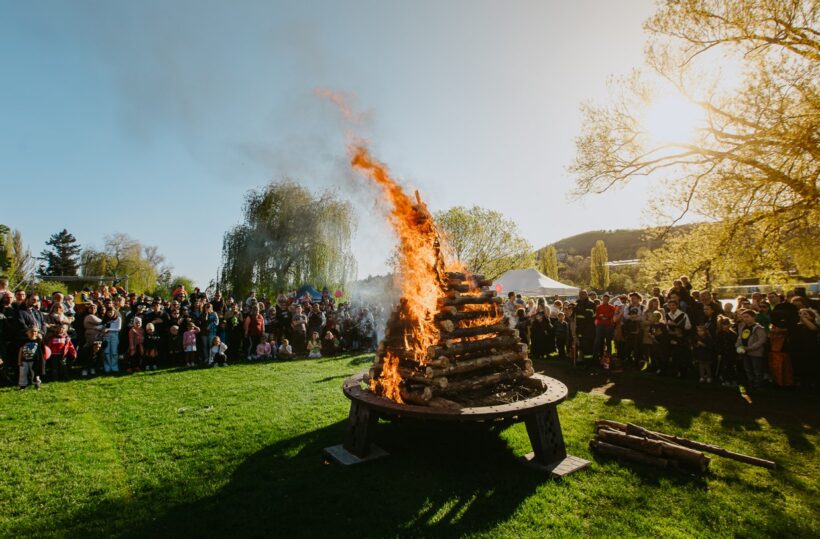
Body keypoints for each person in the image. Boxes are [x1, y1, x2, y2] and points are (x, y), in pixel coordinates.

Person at [736, 309, 768, 388]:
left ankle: (758, 383)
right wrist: (737, 346)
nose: (745, 319)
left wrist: (750, 348)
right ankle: (751, 381)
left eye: (747, 317)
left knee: (756, 369)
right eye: (743, 317)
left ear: (753, 317)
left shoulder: (759, 328)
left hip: (755, 352)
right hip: (744, 351)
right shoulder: (742, 326)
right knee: (747, 368)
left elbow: (761, 340)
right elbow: (740, 337)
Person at [665, 299, 691, 378]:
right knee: (673, 355)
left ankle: (683, 373)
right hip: (671, 337)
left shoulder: (683, 315)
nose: (672, 307)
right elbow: (666, 327)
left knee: (682, 356)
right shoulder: (667, 315)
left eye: (674, 305)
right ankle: (674, 372)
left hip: (681, 338)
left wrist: (676, 325)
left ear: (677, 306)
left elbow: (688, 326)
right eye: (670, 305)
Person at [593, 294, 617, 367]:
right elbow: (597, 315)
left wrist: (604, 316)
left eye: (607, 299)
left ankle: (608, 357)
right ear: (602, 299)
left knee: (608, 341)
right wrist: (602, 317)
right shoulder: (598, 307)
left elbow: (612, 314)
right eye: (604, 299)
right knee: (598, 340)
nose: (605, 300)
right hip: (600, 325)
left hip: (608, 326)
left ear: (609, 300)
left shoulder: (612, 307)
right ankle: (596, 356)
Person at [715, 317, 738, 386]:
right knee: (725, 367)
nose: (725, 326)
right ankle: (726, 379)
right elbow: (718, 344)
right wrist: (719, 353)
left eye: (726, 324)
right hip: (724, 353)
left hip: (732, 353)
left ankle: (733, 380)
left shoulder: (733, 334)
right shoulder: (720, 334)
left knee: (732, 367)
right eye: (723, 325)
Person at [574, 289, 596, 361]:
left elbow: (589, 315)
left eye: (583, 294)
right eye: (580, 294)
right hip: (579, 329)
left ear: (587, 295)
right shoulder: (577, 304)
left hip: (588, 329)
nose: (581, 296)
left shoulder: (591, 304)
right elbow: (573, 315)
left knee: (588, 347)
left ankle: (588, 363)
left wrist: (579, 310)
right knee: (582, 346)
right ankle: (583, 361)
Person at [102, 306, 122, 374]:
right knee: (106, 352)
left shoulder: (118, 318)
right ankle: (107, 366)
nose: (109, 313)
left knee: (114, 352)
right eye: (108, 312)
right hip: (106, 336)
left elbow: (118, 328)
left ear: (114, 311)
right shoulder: (105, 319)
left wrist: (108, 329)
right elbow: (102, 327)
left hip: (114, 336)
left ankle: (114, 366)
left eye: (111, 312)